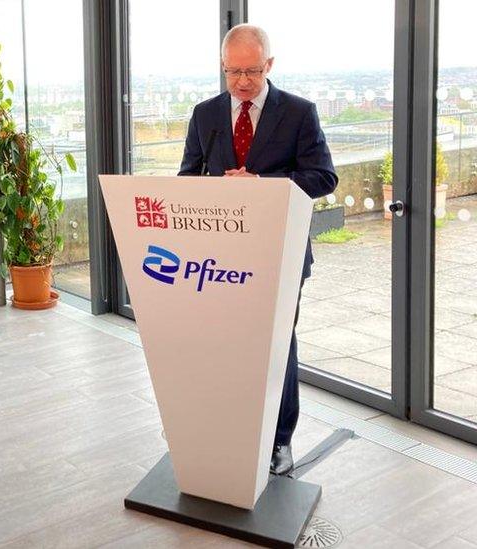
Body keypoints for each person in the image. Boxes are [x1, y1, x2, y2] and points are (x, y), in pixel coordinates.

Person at [178, 24, 338, 475]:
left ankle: (280, 441)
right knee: (228, 344)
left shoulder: (300, 113)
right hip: (218, 258)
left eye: (251, 71)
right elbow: (187, 179)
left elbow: (323, 177)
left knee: (277, 345)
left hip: (280, 253)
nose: (242, 82)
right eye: (233, 72)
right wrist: (216, 190)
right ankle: (229, 430)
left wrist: (261, 186)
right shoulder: (204, 115)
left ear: (269, 65)